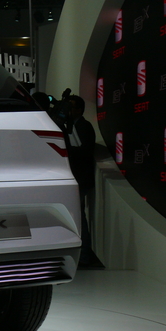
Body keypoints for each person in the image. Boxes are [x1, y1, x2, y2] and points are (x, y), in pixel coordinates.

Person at [64, 95, 103, 268]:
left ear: (79, 109)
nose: (68, 111)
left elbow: (85, 151)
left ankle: (84, 256)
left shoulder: (84, 126)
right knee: (78, 216)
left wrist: (68, 150)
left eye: (71, 107)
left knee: (79, 217)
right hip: (77, 177)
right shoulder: (72, 126)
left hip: (81, 178)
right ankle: (82, 255)